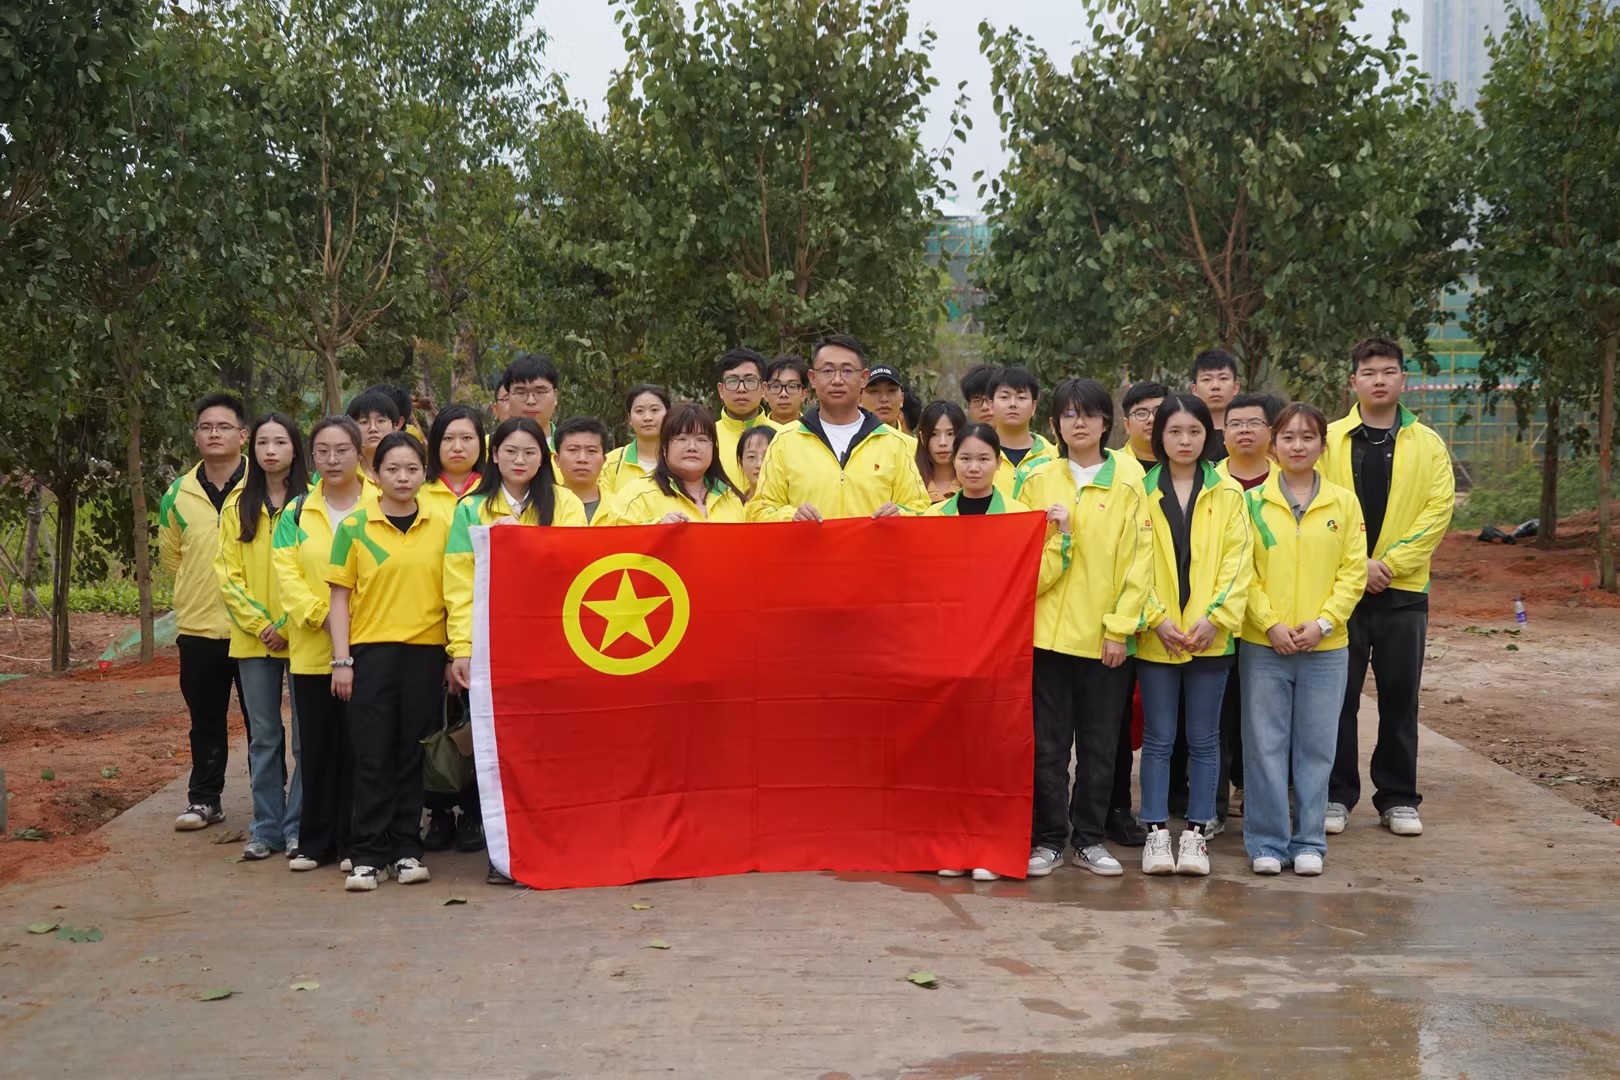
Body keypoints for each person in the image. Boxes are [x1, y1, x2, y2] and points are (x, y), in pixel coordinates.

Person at [1015, 378, 1152, 878]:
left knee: (1100, 745)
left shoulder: (1129, 481)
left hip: (1104, 640)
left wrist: (1119, 629)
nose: (1079, 423)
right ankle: (1049, 838)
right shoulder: (1035, 479)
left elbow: (1140, 562)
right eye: (1069, 415)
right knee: (1048, 746)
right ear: (1054, 424)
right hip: (1045, 637)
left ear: (1105, 422)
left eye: (1089, 414)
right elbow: (1021, 559)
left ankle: (1089, 839)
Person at [1323, 337, 1454, 839]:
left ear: (1404, 379)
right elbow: (1314, 505)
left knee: (1400, 697)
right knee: (1338, 698)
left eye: (1389, 371)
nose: (1379, 380)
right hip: (1340, 590)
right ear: (1352, 381)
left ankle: (1398, 797)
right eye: (1369, 372)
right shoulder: (1329, 440)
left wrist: (1390, 565)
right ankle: (1336, 795)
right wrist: (1359, 566)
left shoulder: (1428, 444)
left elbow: (1437, 512)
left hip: (1404, 592)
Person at [1240, 403, 1367, 876]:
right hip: (1263, 645)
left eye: (1308, 437)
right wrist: (1269, 623)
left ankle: (1310, 841)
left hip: (1325, 649)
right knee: (1264, 747)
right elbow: (1241, 570)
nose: (1297, 446)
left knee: (1317, 748)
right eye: (1288, 437)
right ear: (1273, 445)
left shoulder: (1344, 504)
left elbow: (1353, 573)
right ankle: (1267, 843)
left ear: (1322, 445)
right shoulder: (1251, 503)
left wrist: (1324, 624)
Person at [326, 432, 453, 892]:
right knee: (371, 755)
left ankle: (405, 850)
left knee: (409, 754)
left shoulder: (443, 524)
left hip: (426, 654)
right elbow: (339, 598)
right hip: (370, 655)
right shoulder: (355, 527)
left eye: (412, 469)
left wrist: (452, 653)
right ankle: (367, 855)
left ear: (424, 473)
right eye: (393, 469)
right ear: (375, 474)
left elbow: (455, 592)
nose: (403, 477)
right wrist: (342, 661)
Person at [1133, 394, 1252, 877]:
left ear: (1209, 435)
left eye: (1195, 431)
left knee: (1205, 740)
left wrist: (1214, 618)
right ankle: (1156, 832)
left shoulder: (1229, 493)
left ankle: (1197, 833)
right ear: (1159, 436)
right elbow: (1130, 563)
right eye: (1175, 431)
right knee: (1159, 738)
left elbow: (1239, 563)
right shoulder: (1138, 490)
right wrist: (1155, 618)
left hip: (1210, 637)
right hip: (1156, 636)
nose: (1185, 440)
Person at [273, 416, 371, 873]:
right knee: (315, 748)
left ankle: (354, 841)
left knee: (358, 748)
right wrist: (325, 618)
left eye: (342, 450)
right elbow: (287, 577)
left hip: (367, 648)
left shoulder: (380, 505)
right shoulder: (296, 512)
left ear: (359, 454)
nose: (333, 460)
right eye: (323, 452)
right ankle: (315, 842)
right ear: (311, 458)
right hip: (312, 652)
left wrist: (352, 625)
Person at [215, 413, 308, 862]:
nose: (271, 451)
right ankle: (265, 827)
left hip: (306, 637)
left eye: (281, 442)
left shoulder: (311, 503)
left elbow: (320, 571)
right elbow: (227, 575)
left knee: (305, 738)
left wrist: (288, 623)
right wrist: (261, 624)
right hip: (254, 642)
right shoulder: (237, 505)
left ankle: (299, 826)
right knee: (264, 737)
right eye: (263, 443)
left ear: (295, 448)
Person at [160, 391, 248, 833]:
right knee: (205, 721)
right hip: (198, 628)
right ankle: (205, 800)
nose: (214, 434)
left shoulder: (264, 485)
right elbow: (172, 557)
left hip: (254, 629)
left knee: (263, 724)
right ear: (195, 436)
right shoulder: (177, 493)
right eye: (206, 427)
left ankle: (275, 804)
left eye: (224, 426)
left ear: (243, 435)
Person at [746, 334, 930, 522]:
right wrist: (790, 517)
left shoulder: (892, 443)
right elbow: (759, 511)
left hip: (874, 543)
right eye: (827, 371)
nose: (837, 380)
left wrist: (900, 514)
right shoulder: (785, 441)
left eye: (847, 371)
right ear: (813, 378)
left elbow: (921, 509)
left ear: (864, 378)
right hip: (807, 543)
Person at [1212, 392, 1284, 823]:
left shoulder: (1289, 484)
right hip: (1218, 622)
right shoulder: (1208, 483)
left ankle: (1258, 796)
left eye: (1254, 423)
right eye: (1235, 424)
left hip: (1272, 622)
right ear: (1222, 434)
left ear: (1270, 432)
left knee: (1264, 719)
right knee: (1217, 718)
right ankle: (1213, 802)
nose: (1244, 431)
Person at [601, 405, 748, 525]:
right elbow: (616, 543)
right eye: (682, 439)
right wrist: (656, 530)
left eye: (702, 440)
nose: (692, 447)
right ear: (664, 447)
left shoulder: (731, 498)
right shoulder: (635, 495)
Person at [924, 423, 1032, 519]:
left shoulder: (1019, 515)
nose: (974, 468)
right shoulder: (934, 516)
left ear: (998, 462)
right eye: (965, 459)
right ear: (954, 461)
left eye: (983, 459)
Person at [714, 348, 774, 492]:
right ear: (721, 390)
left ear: (763, 389)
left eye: (750, 380)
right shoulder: (706, 438)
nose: (741, 389)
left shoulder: (784, 436)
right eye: (732, 381)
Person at [987, 367, 1054, 490]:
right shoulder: (978, 453)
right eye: (1004, 397)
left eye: (1021, 398)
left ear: (1033, 407)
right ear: (991, 406)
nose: (1012, 404)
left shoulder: (1052, 455)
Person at [599, 384, 670, 498]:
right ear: (630, 419)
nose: (647, 417)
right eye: (639, 411)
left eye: (654, 410)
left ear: (668, 414)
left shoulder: (682, 459)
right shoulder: (611, 462)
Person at [419, 404, 486, 520]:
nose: (457, 448)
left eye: (466, 438)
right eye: (448, 438)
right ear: (435, 444)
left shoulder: (496, 492)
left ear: (480, 442)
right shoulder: (417, 494)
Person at [554, 416, 611, 522]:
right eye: (573, 450)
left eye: (591, 451)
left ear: (604, 460)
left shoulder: (621, 509)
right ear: (557, 459)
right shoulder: (540, 508)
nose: (582, 459)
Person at [500, 352, 563, 447]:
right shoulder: (485, 448)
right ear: (508, 397)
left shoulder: (571, 449)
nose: (530, 401)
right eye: (521, 393)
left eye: (540, 392)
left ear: (555, 396)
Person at [1190, 349, 1240, 463]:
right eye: (1206, 379)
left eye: (1223, 378)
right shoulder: (1186, 433)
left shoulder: (1246, 431)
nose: (1215, 386)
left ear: (1235, 387)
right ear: (1194, 389)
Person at [915, 400, 967, 504]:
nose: (942, 443)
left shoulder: (976, 483)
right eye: (934, 434)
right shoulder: (910, 483)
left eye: (950, 434)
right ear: (922, 438)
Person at [346, 389, 400, 484]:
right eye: (364, 422)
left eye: (381, 421)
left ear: (395, 426)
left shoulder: (411, 473)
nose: (373, 429)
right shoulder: (345, 476)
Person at [860, 366, 918, 453]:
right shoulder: (848, 444)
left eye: (891, 390)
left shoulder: (916, 449)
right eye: (874, 391)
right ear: (859, 399)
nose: (884, 399)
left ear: (902, 399)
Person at [1121, 381, 1169, 470]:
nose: (1151, 419)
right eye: (1141, 413)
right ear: (1127, 424)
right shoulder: (1110, 465)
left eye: (1158, 412)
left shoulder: (1186, 464)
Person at [764, 355, 809, 428]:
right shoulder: (752, 434)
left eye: (791, 386)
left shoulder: (815, 433)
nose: (783, 394)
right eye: (776, 386)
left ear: (804, 394)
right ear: (765, 393)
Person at [735, 425, 776, 504]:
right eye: (751, 456)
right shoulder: (734, 506)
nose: (759, 465)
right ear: (741, 463)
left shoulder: (792, 505)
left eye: (767, 456)